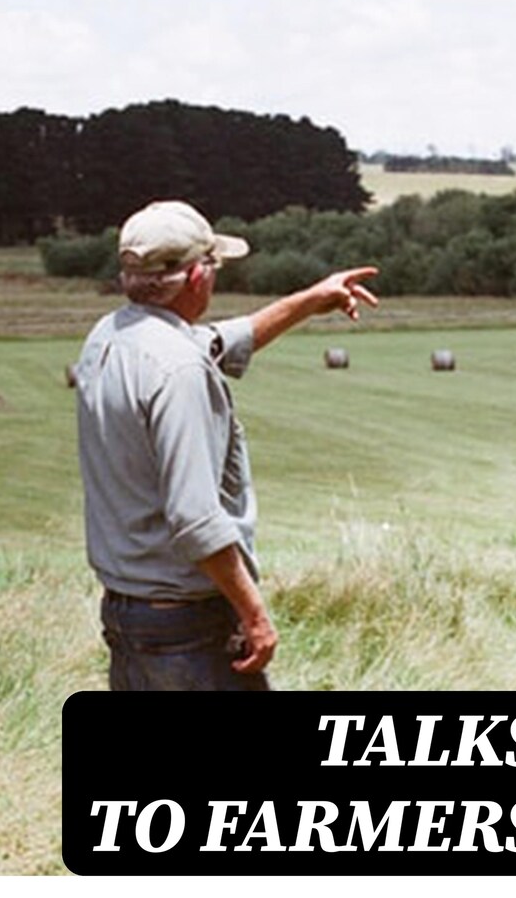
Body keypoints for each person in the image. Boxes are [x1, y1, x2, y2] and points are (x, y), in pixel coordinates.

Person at [75, 199, 378, 691]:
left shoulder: (109, 337)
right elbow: (195, 518)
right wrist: (254, 614)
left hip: (129, 617)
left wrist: (311, 298)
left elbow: (219, 340)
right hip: (190, 628)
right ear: (198, 277)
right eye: (213, 265)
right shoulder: (180, 371)